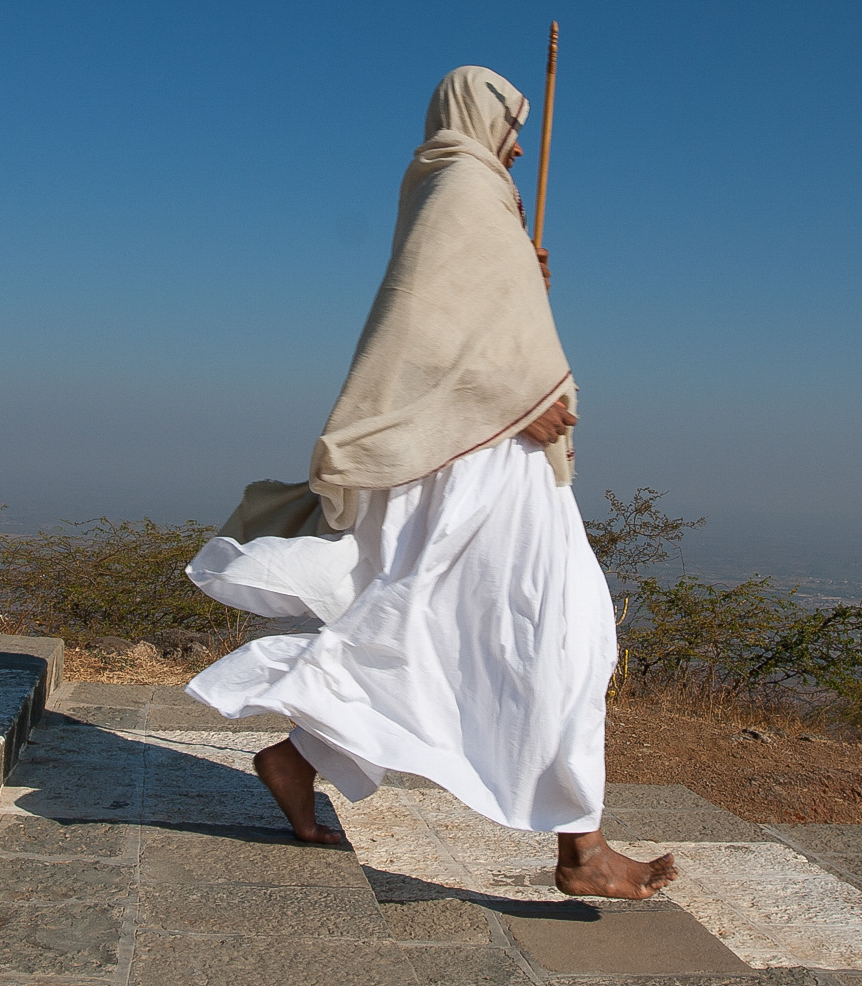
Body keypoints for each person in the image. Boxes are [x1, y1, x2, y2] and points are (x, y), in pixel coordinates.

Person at [185, 66, 677, 900]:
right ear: (478, 116)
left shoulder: (478, 195)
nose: (518, 145)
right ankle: (581, 850)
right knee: (547, 627)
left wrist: (526, 289)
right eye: (511, 125)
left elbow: (473, 322)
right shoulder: (463, 188)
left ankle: (299, 760)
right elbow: (420, 333)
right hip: (475, 460)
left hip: (498, 461)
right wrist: (517, 398)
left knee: (492, 624)